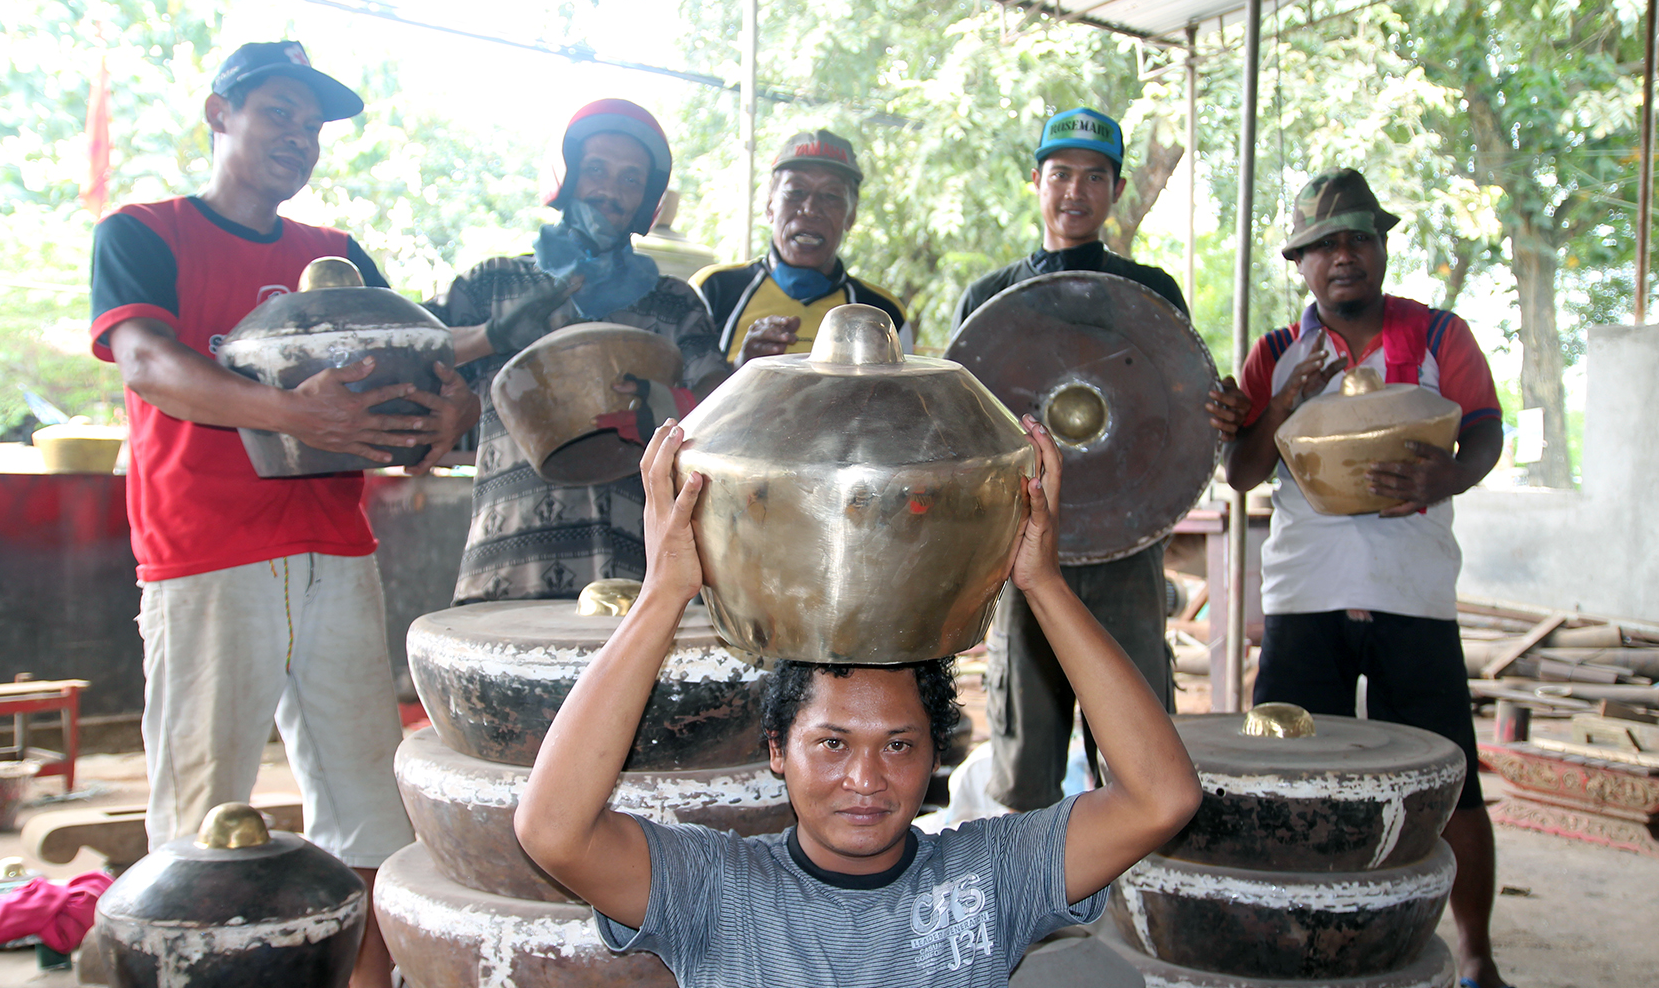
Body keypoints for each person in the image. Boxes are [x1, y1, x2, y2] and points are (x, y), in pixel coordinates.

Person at [513, 416, 1203, 988]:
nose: (866, 779)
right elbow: (552, 830)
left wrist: (1045, 587)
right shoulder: (715, 891)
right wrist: (661, 596)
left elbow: (1160, 797)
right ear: (778, 750)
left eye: (899, 745)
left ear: (936, 754)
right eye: (832, 743)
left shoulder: (989, 882)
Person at [88, 41, 468, 988]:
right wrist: (290, 412)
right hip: (203, 552)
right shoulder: (141, 235)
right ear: (220, 112)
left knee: (368, 801)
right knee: (199, 804)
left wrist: (448, 411)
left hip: (333, 549)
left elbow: (424, 368)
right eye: (278, 114)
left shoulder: (336, 247)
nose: (299, 138)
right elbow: (152, 366)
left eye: (313, 124)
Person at [1221, 168, 1515, 988]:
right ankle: (1286, 941)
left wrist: (1451, 469)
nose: (1341, 257)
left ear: (1381, 248)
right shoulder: (1276, 352)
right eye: (1322, 246)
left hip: (1410, 590)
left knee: (1447, 781)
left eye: (1356, 239)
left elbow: (1486, 426)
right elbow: (1239, 473)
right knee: (1288, 775)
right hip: (1305, 592)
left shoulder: (1436, 334)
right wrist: (1285, 400)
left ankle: (1475, 952)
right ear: (1300, 264)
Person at [951, 106, 1246, 812]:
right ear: (1035, 182)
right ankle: (1034, 916)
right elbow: (963, 429)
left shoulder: (1150, 295)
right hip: (1024, 549)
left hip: (1125, 547)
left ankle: (1129, 911)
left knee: (1134, 745)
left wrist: (1217, 416)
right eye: (1060, 175)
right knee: (1026, 760)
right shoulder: (990, 299)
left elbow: (1173, 412)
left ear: (1115, 192)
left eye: (1093, 177)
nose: (1074, 192)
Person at [429, 99, 726, 604]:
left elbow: (724, 404)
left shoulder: (673, 303)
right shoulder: (495, 282)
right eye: (596, 171)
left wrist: (670, 406)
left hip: (642, 572)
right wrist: (492, 334)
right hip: (509, 567)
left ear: (647, 199)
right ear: (564, 178)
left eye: (631, 180)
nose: (611, 191)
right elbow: (417, 350)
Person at [691, 130, 912, 363]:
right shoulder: (711, 290)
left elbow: (899, 398)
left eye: (831, 195)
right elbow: (681, 394)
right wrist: (743, 368)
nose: (810, 209)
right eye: (796, 192)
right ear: (769, 206)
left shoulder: (883, 315)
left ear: (851, 215)